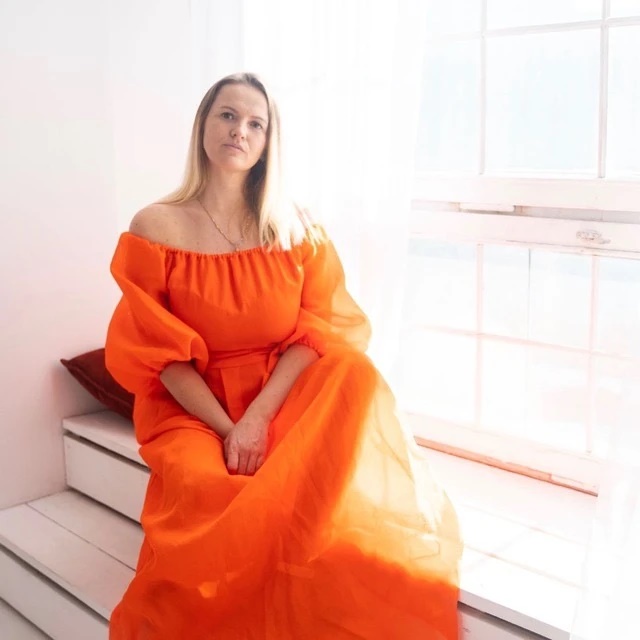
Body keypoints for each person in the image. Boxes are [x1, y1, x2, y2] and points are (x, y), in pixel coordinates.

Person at [105, 72, 462, 640]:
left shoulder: (295, 225)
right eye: (227, 115)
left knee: (354, 372)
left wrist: (258, 419)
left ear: (269, 141)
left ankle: (308, 554)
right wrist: (230, 430)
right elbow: (161, 356)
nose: (239, 131)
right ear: (203, 125)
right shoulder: (155, 226)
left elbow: (317, 328)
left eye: (256, 123)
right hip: (195, 407)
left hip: (275, 394)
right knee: (209, 490)